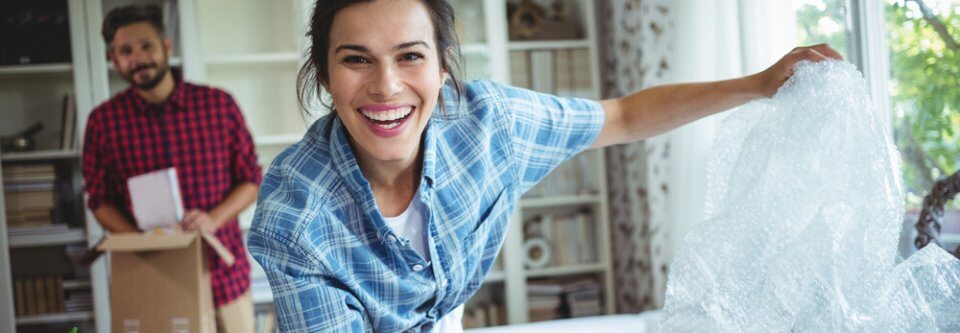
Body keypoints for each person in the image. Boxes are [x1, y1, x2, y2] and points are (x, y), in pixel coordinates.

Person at [247, 0, 843, 332]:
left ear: (442, 68)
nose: (386, 87)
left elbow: (624, 117)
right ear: (325, 76)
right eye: (357, 60)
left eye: (410, 57)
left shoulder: (491, 127)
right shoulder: (294, 218)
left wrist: (759, 83)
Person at [81, 4, 261, 333]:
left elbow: (251, 180)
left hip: (223, 276)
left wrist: (213, 218)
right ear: (114, 59)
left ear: (166, 45)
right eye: (125, 50)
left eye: (146, 45)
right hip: (150, 279)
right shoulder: (103, 122)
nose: (137, 58)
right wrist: (140, 243)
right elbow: (99, 200)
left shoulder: (218, 105)